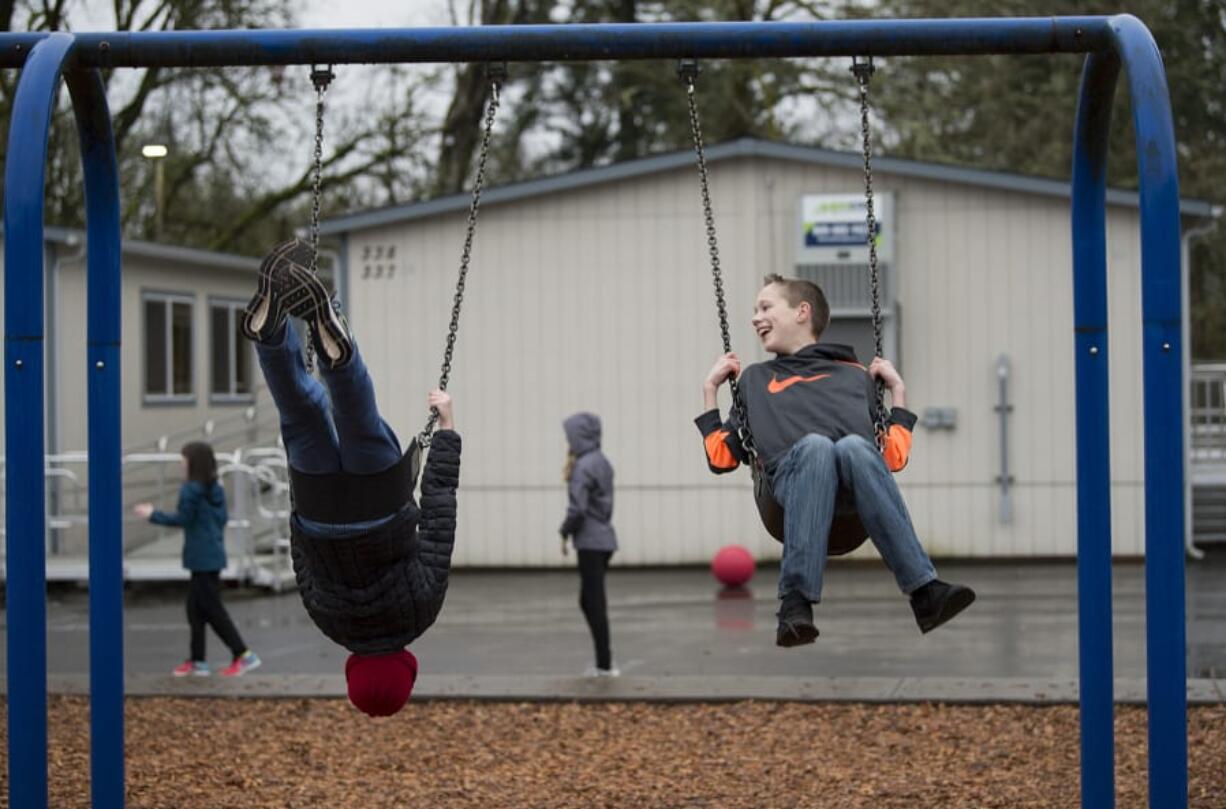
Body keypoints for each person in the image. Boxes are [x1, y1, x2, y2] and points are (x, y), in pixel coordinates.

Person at [241, 238, 462, 717]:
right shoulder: (329, 624)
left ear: (407, 668)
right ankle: (269, 334)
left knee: (357, 416)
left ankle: (335, 345)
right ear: (352, 673)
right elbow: (302, 560)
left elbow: (440, 516)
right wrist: (301, 504)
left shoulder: (421, 612)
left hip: (382, 502)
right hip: (320, 510)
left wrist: (446, 430)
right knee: (302, 414)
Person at [697, 274, 975, 647]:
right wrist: (711, 391)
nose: (755, 318)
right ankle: (795, 605)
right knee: (816, 447)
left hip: (852, 506)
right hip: (785, 496)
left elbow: (890, 457)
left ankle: (925, 593)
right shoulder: (754, 380)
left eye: (765, 307)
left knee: (855, 448)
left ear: (802, 312)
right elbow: (722, 458)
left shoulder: (855, 376)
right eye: (754, 310)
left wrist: (898, 393)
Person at [134, 442, 261, 677]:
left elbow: (182, 519)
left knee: (212, 610)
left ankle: (243, 654)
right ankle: (198, 660)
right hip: (213, 554)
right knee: (195, 609)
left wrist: (152, 514)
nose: (181, 465)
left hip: (201, 557)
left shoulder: (191, 490)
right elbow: (220, 519)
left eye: (184, 461)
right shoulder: (216, 489)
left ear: (193, 463)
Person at [559, 413, 618, 677]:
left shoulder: (583, 466)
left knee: (593, 602)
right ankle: (603, 662)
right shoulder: (602, 462)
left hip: (590, 542)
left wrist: (564, 531)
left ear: (578, 437)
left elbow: (578, 508)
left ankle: (604, 665)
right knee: (589, 600)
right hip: (604, 539)